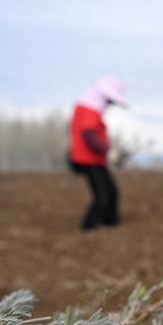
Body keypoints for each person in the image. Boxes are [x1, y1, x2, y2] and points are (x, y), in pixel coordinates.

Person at [68, 77, 126, 230]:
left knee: (110, 192)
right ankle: (89, 226)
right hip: (88, 159)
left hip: (94, 159)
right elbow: (89, 134)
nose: (110, 105)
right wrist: (108, 150)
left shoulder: (86, 109)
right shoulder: (90, 111)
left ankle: (110, 221)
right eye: (110, 101)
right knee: (103, 195)